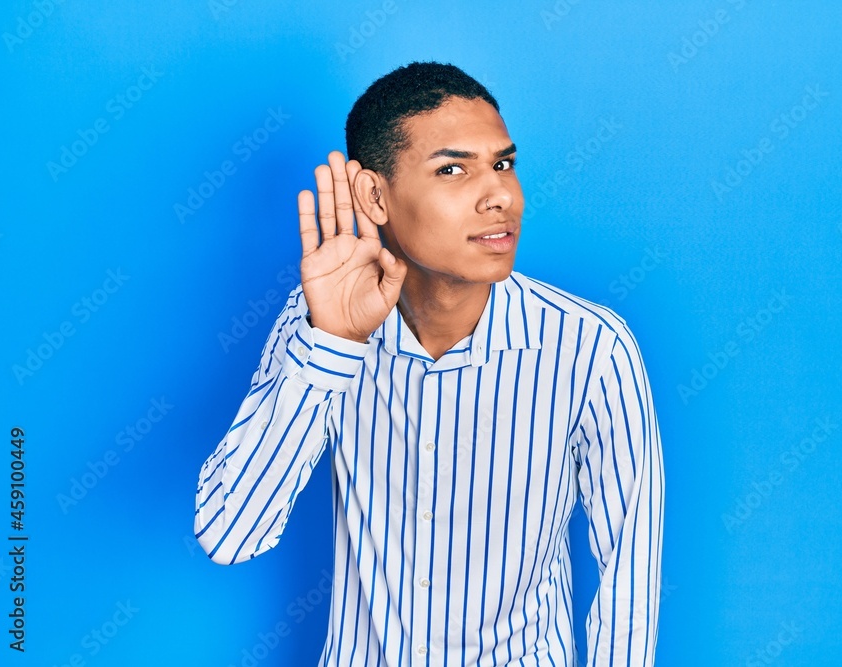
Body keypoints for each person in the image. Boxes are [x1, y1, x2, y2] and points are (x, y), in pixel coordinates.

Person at [194, 61, 665, 667]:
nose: (500, 196)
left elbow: (631, 574)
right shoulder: (318, 323)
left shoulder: (592, 348)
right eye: (452, 170)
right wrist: (332, 345)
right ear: (374, 195)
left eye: (503, 164)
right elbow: (231, 535)